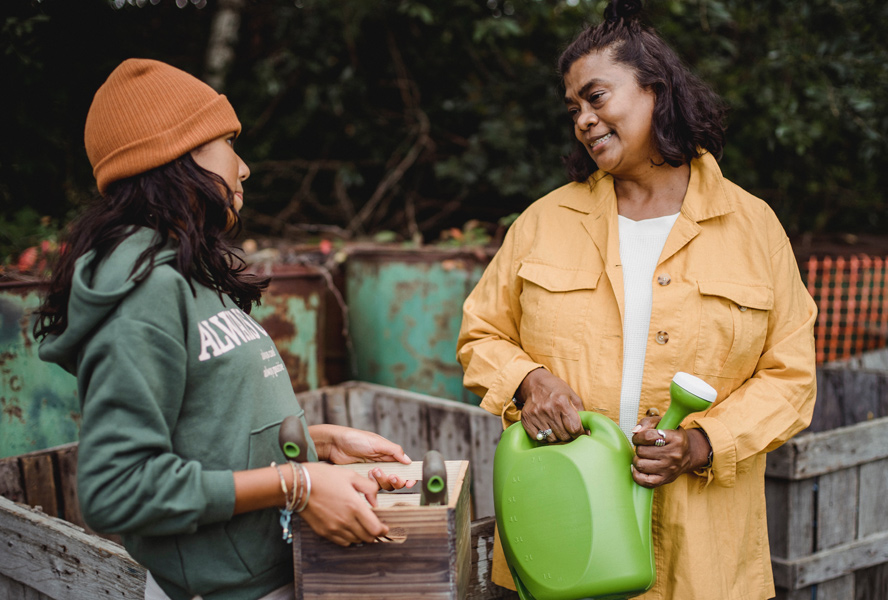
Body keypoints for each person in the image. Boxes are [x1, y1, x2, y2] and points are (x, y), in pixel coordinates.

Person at [456, 2, 818, 598]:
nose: (583, 119)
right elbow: (482, 334)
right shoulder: (545, 221)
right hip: (564, 539)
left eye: (596, 97)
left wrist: (703, 444)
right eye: (573, 107)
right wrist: (530, 380)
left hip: (703, 561)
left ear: (656, 90)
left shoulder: (754, 228)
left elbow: (791, 379)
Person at [34, 58, 414, 600]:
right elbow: (116, 489)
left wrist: (318, 444)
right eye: (229, 142)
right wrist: (298, 484)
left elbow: (209, 430)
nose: (244, 168)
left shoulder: (187, 273)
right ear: (178, 153)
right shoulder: (143, 291)